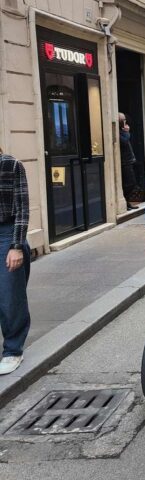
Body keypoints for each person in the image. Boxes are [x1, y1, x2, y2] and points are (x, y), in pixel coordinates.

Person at [0, 147, 30, 375]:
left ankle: (12, 350)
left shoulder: (11, 165)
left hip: (6, 233)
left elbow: (22, 210)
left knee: (10, 296)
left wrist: (16, 246)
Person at [119, 113, 139, 210]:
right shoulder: (119, 132)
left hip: (129, 160)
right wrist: (127, 132)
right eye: (123, 120)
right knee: (130, 183)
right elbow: (124, 141)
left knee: (131, 183)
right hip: (124, 161)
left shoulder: (122, 131)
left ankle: (127, 202)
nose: (125, 122)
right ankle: (125, 202)